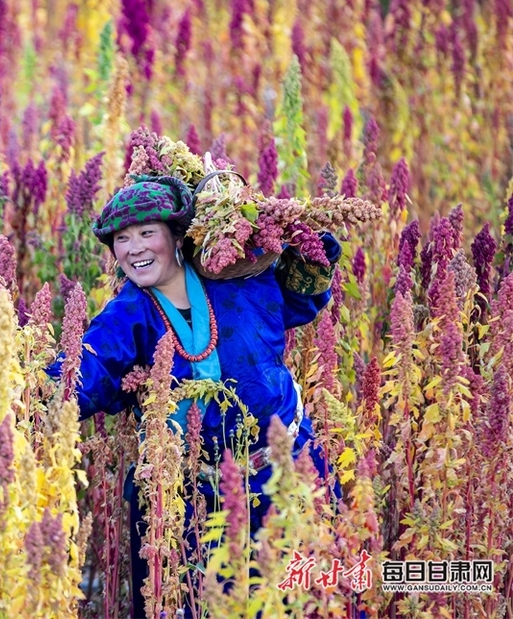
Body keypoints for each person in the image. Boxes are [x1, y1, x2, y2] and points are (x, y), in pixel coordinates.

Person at [46, 175, 342, 618]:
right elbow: (88, 370)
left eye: (147, 233)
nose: (134, 248)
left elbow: (302, 300)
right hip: (194, 498)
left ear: (177, 236)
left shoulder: (241, 280)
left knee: (306, 597)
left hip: (285, 473)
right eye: (121, 239)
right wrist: (26, 393)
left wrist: (298, 238)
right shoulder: (129, 314)